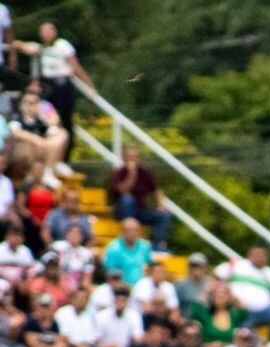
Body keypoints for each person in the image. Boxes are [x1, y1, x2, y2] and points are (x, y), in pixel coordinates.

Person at [9, 23, 92, 157]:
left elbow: (75, 66)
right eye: (43, 31)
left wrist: (89, 85)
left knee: (66, 121)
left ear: (55, 32)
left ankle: (65, 156)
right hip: (48, 87)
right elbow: (22, 46)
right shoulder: (41, 48)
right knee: (48, 118)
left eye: (49, 30)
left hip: (64, 87)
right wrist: (14, 53)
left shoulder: (63, 46)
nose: (46, 33)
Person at [216, 246, 270, 340]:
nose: (259, 258)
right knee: (243, 335)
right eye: (256, 255)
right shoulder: (237, 265)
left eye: (262, 256)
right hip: (239, 311)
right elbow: (217, 277)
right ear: (250, 255)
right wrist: (231, 296)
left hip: (263, 313)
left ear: (267, 258)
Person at [110, 146, 173, 251]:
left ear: (139, 159)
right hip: (122, 212)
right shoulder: (119, 173)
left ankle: (157, 247)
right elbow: (123, 191)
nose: (132, 160)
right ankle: (129, 234)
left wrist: (160, 204)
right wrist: (132, 174)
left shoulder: (145, 173)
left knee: (164, 215)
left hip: (140, 212)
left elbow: (157, 189)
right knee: (128, 199)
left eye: (135, 157)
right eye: (129, 157)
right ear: (124, 158)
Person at [102, 218, 155, 283]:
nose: (133, 233)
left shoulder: (145, 246)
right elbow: (110, 274)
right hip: (121, 288)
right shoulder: (113, 249)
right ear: (122, 232)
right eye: (128, 230)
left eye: (136, 230)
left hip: (142, 287)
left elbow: (150, 266)